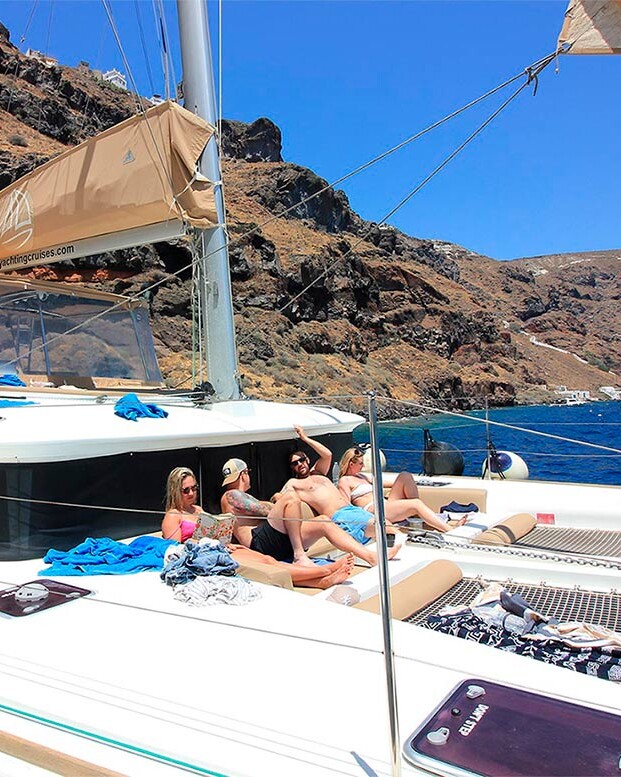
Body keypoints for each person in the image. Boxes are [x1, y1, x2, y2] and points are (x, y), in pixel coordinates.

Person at [161, 466, 354, 589]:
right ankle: (325, 571)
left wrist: (223, 538)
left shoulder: (197, 509)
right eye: (186, 490)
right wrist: (203, 541)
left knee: (268, 559)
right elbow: (175, 549)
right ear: (175, 490)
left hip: (220, 548)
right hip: (203, 554)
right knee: (266, 564)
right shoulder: (173, 515)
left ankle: (322, 582)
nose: (192, 493)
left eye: (194, 488)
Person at [221, 457, 398, 567]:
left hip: (272, 541)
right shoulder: (231, 495)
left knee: (324, 522)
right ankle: (299, 555)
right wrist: (280, 505)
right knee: (290, 497)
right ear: (244, 474)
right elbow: (266, 511)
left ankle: (371, 557)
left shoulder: (236, 496)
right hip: (259, 542)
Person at [282, 440, 402, 548]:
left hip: (352, 510)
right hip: (340, 515)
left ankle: (401, 546)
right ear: (292, 467)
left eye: (302, 460)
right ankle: (401, 545)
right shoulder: (294, 483)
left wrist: (304, 438)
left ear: (307, 460)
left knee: (385, 524)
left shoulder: (318, 472)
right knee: (382, 526)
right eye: (295, 463)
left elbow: (327, 454)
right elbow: (280, 497)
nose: (300, 464)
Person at [337, 447, 462, 533]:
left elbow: (387, 484)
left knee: (405, 475)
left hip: (385, 504)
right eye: (360, 463)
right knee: (416, 504)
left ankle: (419, 515)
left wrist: (414, 483)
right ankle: (450, 530)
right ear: (351, 464)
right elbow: (345, 506)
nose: (363, 466)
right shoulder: (345, 481)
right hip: (373, 510)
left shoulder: (362, 476)